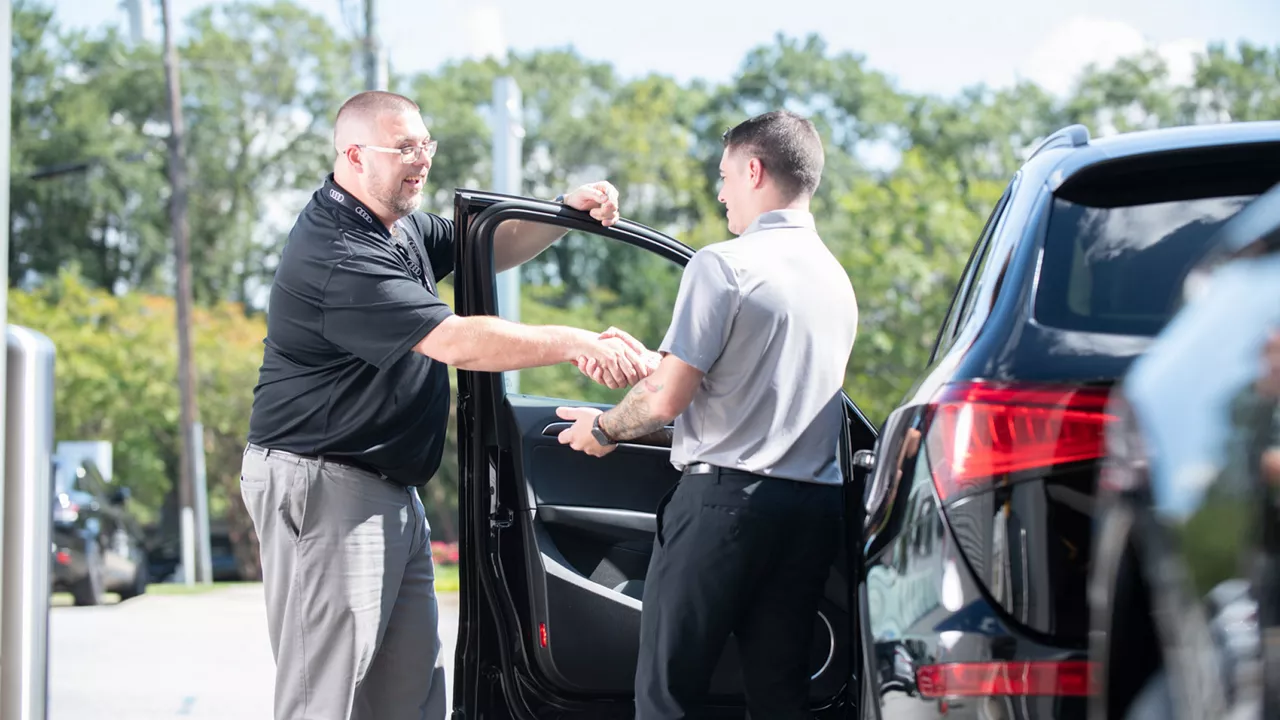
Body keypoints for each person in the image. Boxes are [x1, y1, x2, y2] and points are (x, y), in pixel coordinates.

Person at [240, 90, 648, 720]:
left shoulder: (398, 225)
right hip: (323, 484)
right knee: (324, 697)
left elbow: (488, 246)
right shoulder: (339, 251)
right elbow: (455, 340)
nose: (422, 158)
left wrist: (562, 212)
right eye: (404, 147)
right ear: (353, 154)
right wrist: (576, 344)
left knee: (410, 693)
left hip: (387, 489)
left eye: (425, 144)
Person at [557, 109, 859, 719]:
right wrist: (661, 364)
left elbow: (667, 402)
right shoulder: (834, 280)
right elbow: (758, 390)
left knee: (671, 696)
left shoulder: (724, 264)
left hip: (725, 509)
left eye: (724, 176)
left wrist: (604, 429)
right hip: (810, 512)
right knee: (780, 696)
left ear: (754, 171)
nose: (721, 192)